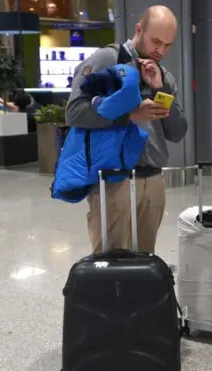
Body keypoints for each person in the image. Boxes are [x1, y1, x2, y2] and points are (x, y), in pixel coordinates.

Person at [65, 5, 188, 254]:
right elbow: (74, 111)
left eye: (167, 45)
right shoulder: (107, 60)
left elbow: (177, 131)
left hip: (152, 179)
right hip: (113, 180)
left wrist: (160, 90)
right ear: (139, 29)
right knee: (110, 262)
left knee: (144, 260)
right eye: (156, 42)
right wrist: (129, 115)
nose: (161, 51)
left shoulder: (163, 75)